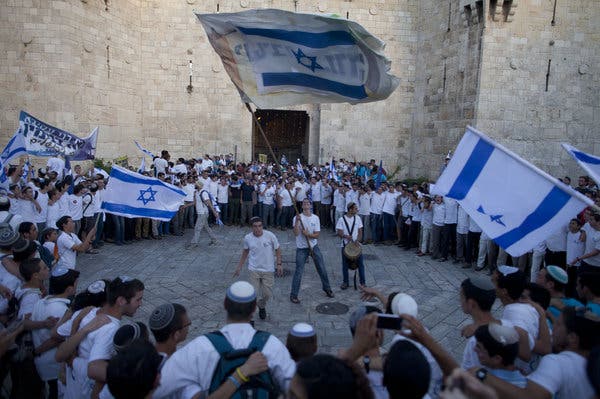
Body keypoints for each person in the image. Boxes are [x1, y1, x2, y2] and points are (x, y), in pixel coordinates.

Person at [153, 281, 296, 399]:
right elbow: (297, 389)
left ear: (225, 304)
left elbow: (155, 391)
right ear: (254, 309)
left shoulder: (198, 348)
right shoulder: (272, 346)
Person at [234, 217, 282, 320]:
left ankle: (261, 305)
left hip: (268, 270)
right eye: (255, 226)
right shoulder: (248, 238)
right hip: (254, 269)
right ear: (252, 227)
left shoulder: (270, 236)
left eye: (260, 226)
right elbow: (245, 252)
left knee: (267, 294)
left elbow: (277, 249)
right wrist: (239, 266)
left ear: (262, 226)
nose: (258, 228)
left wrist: (279, 264)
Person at [290, 198, 334, 303]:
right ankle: (293, 294)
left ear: (310, 205)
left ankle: (327, 288)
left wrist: (308, 234)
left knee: (322, 268)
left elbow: (317, 235)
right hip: (301, 248)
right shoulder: (297, 218)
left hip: (313, 246)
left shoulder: (315, 218)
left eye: (308, 203)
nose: (306, 204)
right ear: (302, 206)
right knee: (299, 272)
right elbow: (295, 233)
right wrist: (296, 222)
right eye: (304, 203)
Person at [337, 202, 366, 290]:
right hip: (345, 245)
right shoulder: (341, 219)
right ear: (350, 210)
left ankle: (363, 283)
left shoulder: (358, 218)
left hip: (356, 245)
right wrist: (345, 236)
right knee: (345, 264)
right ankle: (345, 282)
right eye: (355, 209)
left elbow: (360, 231)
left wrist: (358, 240)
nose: (357, 210)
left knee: (361, 264)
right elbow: (339, 232)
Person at [187, 181, 220, 249]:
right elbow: (194, 202)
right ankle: (214, 240)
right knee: (206, 227)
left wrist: (214, 212)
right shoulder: (196, 192)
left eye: (196, 184)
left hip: (203, 213)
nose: (194, 185)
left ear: (198, 185)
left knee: (197, 228)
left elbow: (209, 203)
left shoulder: (203, 193)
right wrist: (185, 206)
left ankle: (194, 243)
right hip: (200, 213)